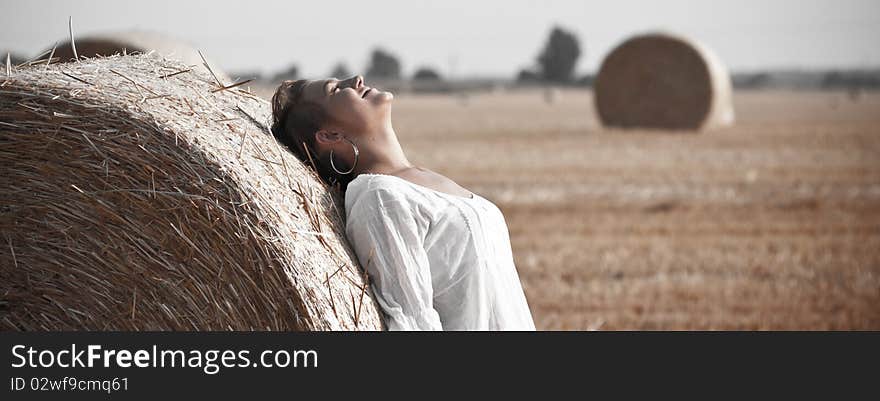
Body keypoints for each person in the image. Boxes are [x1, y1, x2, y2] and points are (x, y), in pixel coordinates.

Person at [270, 75, 535, 330]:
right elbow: (413, 320)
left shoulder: (418, 180)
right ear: (329, 135)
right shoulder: (379, 197)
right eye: (336, 90)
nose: (356, 79)